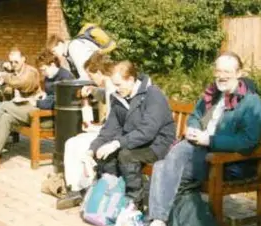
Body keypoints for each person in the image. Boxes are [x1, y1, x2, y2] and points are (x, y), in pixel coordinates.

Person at [139, 51, 261, 226]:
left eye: (227, 71)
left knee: (166, 166)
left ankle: (158, 222)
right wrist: (193, 128)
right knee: (165, 164)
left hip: (224, 160)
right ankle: (159, 223)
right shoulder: (213, 95)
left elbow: (249, 141)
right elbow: (197, 116)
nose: (221, 76)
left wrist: (211, 139)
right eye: (218, 70)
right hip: (198, 150)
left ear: (239, 73)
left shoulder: (251, 102)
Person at [85, 60, 176, 209]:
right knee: (106, 155)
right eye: (114, 84)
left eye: (119, 85)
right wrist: (92, 150)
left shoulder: (153, 94)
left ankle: (134, 202)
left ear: (131, 80)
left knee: (125, 155)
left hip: (158, 144)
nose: (115, 89)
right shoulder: (118, 97)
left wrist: (116, 143)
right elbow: (109, 130)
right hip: (135, 141)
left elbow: (148, 131)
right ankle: (112, 195)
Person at [53, 52, 116, 210]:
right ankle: (75, 188)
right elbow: (103, 95)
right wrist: (92, 90)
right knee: (72, 143)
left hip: (113, 136)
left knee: (77, 144)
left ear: (100, 73)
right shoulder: (108, 86)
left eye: (91, 75)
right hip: (108, 131)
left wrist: (96, 128)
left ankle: (81, 188)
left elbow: (114, 124)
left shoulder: (113, 88)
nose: (90, 78)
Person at [47, 26, 114, 80]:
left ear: (59, 44)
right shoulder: (68, 52)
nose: (54, 55)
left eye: (54, 51)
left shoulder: (73, 47)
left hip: (102, 76)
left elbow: (84, 73)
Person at [35, 50, 75, 128]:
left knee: (35, 121)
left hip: (62, 116)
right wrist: (43, 95)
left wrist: (36, 103)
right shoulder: (48, 76)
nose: (42, 73)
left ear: (52, 65)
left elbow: (59, 101)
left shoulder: (65, 77)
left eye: (44, 70)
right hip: (49, 110)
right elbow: (50, 94)